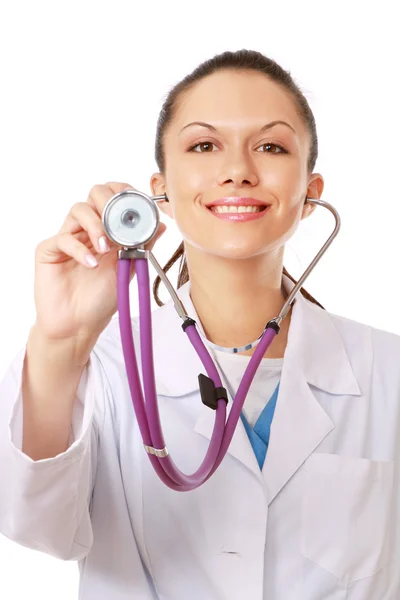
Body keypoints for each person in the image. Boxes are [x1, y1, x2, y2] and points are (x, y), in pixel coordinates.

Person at [0, 48, 399, 600]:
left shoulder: (387, 371)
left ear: (310, 194)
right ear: (158, 190)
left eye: (271, 146)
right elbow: (36, 529)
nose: (237, 169)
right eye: (205, 145)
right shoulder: (106, 366)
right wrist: (60, 343)